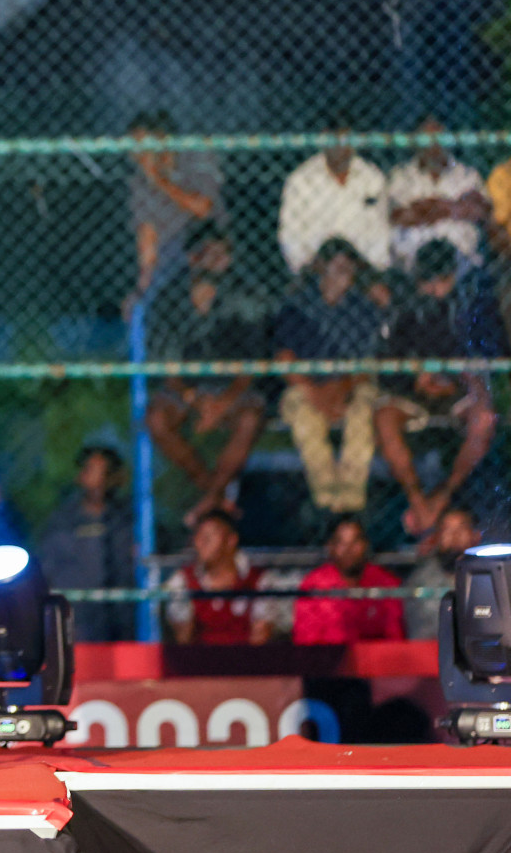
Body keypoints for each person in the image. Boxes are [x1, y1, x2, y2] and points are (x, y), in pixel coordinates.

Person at [145, 226, 269, 526]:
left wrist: (222, 403)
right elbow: (166, 364)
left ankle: (210, 499)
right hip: (186, 389)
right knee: (156, 419)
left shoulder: (246, 295)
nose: (217, 260)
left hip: (231, 391)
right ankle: (215, 493)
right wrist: (196, 400)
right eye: (208, 252)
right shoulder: (169, 298)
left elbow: (251, 364)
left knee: (251, 418)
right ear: (192, 257)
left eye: (222, 253)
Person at [374, 239, 499, 536]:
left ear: (453, 276)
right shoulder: (404, 307)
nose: (433, 288)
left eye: (441, 279)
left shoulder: (471, 304)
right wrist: (416, 376)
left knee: (484, 420)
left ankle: (443, 495)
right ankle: (418, 501)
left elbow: (484, 356)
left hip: (456, 391)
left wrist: (451, 378)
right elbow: (388, 359)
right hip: (412, 391)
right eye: (426, 280)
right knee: (384, 419)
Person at [272, 238, 384, 514]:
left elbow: (366, 364)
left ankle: (349, 503)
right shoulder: (298, 305)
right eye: (336, 266)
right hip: (308, 386)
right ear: (321, 267)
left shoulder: (362, 307)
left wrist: (340, 390)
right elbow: (284, 358)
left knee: (363, 412)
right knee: (304, 417)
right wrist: (315, 392)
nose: (343, 274)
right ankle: (327, 501)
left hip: (352, 385)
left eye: (348, 267)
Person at [126, 109, 224, 309]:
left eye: (142, 145)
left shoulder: (196, 157)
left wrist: (159, 181)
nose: (137, 155)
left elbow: (203, 208)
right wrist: (141, 287)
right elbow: (147, 233)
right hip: (169, 256)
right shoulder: (141, 180)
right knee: (141, 305)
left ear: (162, 139)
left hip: (206, 242)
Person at [36, 446, 136, 642]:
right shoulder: (62, 522)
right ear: (81, 476)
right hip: (78, 622)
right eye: (92, 472)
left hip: (124, 621)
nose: (98, 481)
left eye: (105, 473)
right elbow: (47, 571)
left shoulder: (130, 518)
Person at [277, 115, 389, 275]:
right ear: (325, 139)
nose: (344, 148)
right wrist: (314, 266)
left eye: (350, 141)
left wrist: (363, 269)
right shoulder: (301, 180)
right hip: (316, 270)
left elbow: (380, 232)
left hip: (361, 271)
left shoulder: (372, 178)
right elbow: (289, 236)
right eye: (339, 140)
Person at [385, 117, 488, 270]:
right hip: (413, 265)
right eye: (427, 138)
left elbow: (480, 212)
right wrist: (453, 207)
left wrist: (426, 207)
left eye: (439, 137)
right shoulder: (401, 176)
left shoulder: (468, 175)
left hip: (462, 264)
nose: (434, 144)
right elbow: (401, 216)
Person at [164, 511, 276, 645]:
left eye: (210, 536)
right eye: (199, 536)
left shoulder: (259, 580)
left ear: (231, 540)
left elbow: (261, 638)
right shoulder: (183, 581)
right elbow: (183, 639)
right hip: (198, 663)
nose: (202, 542)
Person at [293, 516, 404, 645]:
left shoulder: (386, 583)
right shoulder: (313, 585)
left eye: (355, 542)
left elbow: (395, 639)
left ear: (366, 545)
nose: (348, 550)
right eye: (341, 543)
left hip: (374, 660)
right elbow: (305, 642)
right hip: (328, 661)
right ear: (331, 547)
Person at [404, 506, 479, 639]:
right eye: (447, 530)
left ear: (476, 536)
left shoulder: (492, 576)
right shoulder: (420, 580)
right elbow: (420, 635)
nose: (455, 536)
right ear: (436, 538)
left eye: (461, 529)